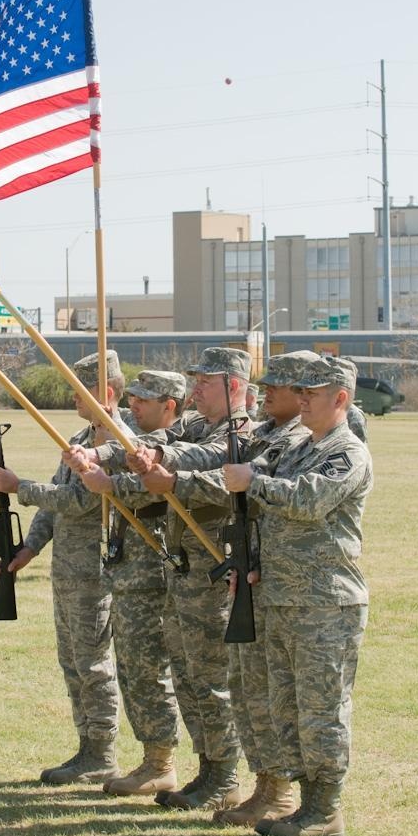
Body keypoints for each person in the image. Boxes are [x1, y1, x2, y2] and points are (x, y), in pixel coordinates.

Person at [224, 355, 373, 836]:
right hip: (281, 598)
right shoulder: (296, 449)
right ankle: (301, 803)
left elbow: (308, 501)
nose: (302, 400)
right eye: (301, 393)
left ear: (341, 399)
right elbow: (262, 510)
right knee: (285, 706)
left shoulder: (345, 451)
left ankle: (325, 809)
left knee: (321, 708)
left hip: (325, 604)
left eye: (313, 393)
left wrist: (255, 482)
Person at [116, 347, 253, 811]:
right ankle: (206, 768)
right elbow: (171, 445)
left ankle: (225, 775)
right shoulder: (194, 426)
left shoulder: (241, 433)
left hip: (215, 574)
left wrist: (161, 459)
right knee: (188, 674)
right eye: (194, 381)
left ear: (235, 387)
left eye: (205, 383)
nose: (194, 390)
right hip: (183, 570)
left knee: (213, 677)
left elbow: (204, 456)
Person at [0, 350, 128, 785]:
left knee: (93, 663)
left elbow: (80, 501)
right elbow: (55, 505)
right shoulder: (80, 436)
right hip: (68, 571)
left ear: (104, 392)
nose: (72, 398)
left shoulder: (119, 444)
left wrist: (20, 487)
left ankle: (101, 752)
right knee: (72, 661)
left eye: (79, 389)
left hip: (96, 571)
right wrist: (28, 549)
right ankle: (86, 745)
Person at [88, 371, 188, 797]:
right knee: (133, 668)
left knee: (154, 669)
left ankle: (163, 761)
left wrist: (112, 484)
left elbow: (151, 489)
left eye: (145, 400)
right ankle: (153, 757)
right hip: (129, 566)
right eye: (133, 399)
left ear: (170, 405)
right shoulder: (134, 441)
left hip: (157, 568)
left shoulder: (184, 442)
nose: (135, 406)